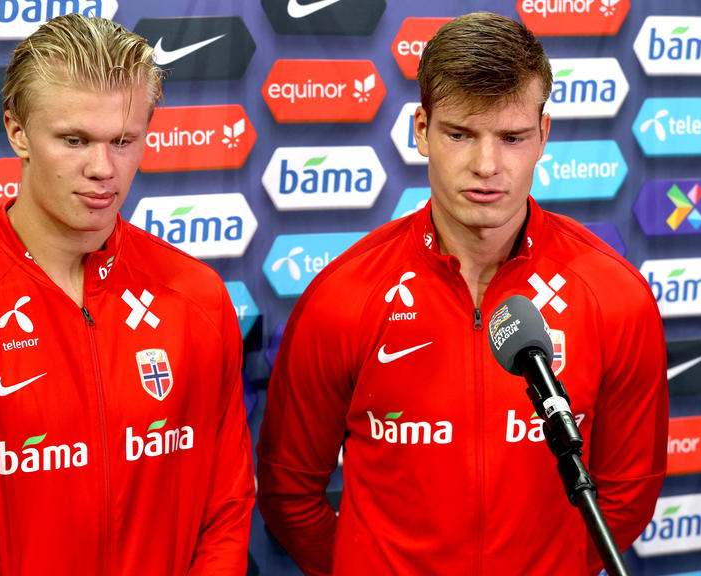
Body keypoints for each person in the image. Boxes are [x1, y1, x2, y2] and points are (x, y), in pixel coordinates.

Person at [256, 11, 667, 576]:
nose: (486, 166)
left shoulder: (613, 293)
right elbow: (290, 493)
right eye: (460, 134)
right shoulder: (343, 295)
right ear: (421, 130)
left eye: (512, 137)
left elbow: (627, 495)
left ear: (544, 136)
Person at [0, 15, 254, 575]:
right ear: (18, 132)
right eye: (74, 140)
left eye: (123, 141)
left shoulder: (196, 296)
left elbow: (225, 508)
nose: (102, 169)